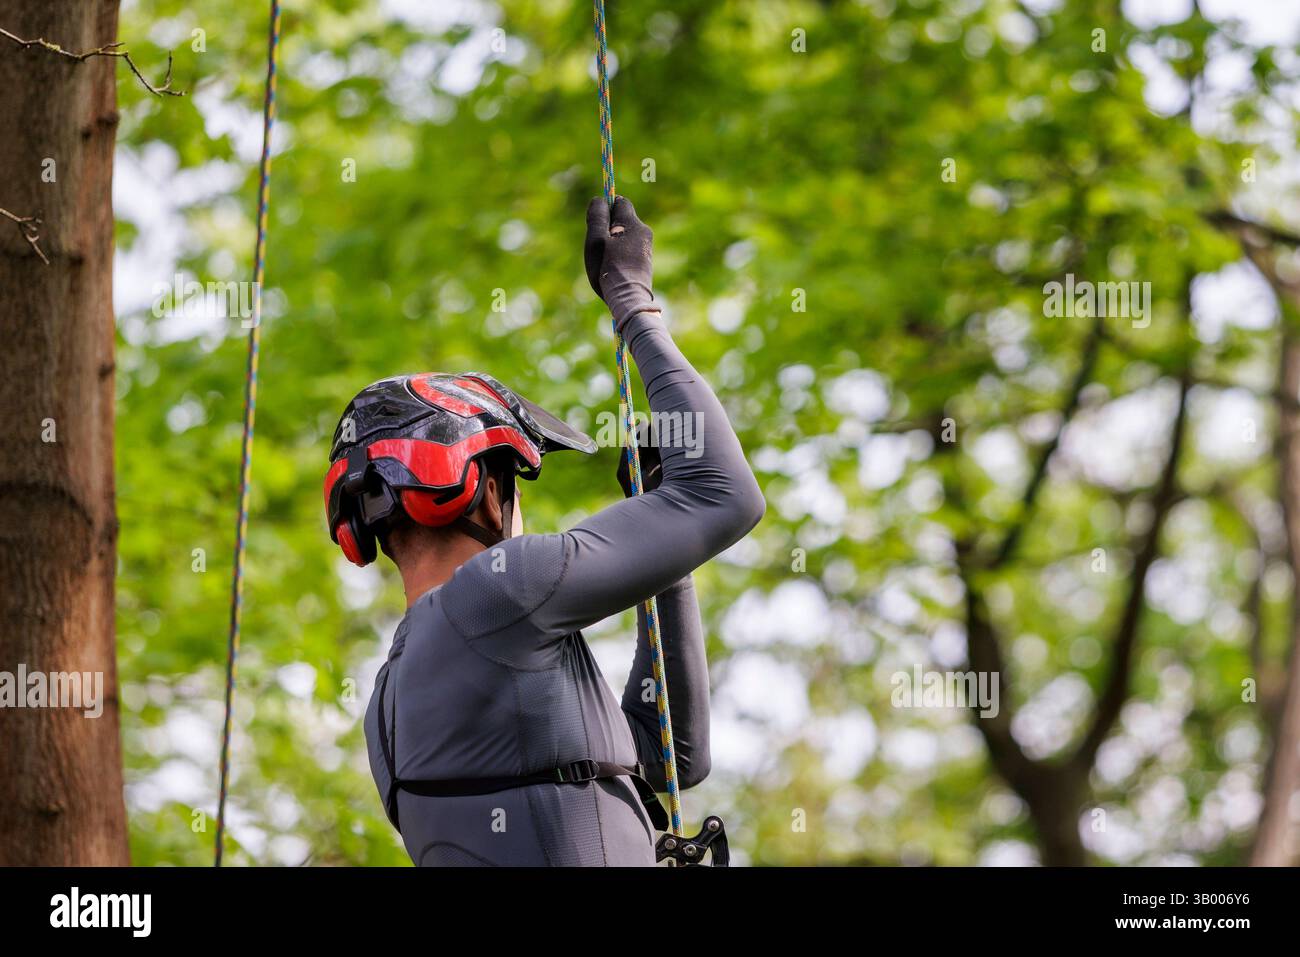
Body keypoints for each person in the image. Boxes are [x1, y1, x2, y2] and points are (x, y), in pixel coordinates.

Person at [323, 197, 764, 866]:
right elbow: (724, 493)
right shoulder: (500, 592)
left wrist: (667, 563)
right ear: (489, 490)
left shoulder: (388, 703)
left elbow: (671, 755)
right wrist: (633, 302)